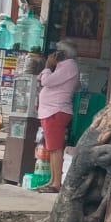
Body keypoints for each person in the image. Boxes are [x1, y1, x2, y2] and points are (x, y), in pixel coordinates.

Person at [37, 42, 81, 192]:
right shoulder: (62, 67)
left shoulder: (69, 65)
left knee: (55, 148)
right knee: (52, 148)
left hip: (56, 110)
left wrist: (49, 66)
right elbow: (40, 78)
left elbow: (46, 81)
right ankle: (52, 180)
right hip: (50, 111)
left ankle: (56, 183)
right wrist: (49, 68)